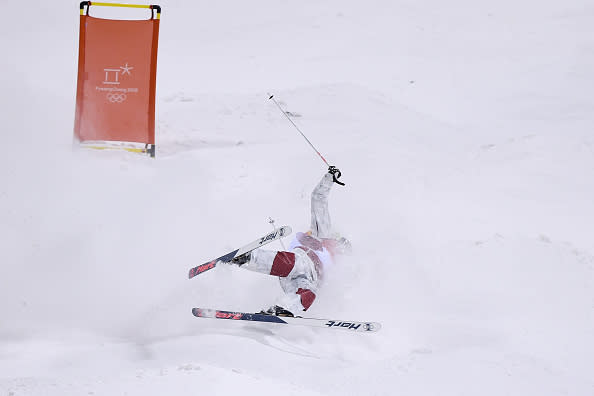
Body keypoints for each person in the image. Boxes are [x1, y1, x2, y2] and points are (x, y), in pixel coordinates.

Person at [228, 167, 351, 317]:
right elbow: (318, 200)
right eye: (340, 243)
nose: (339, 249)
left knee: (309, 294)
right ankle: (247, 258)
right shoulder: (323, 236)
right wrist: (329, 179)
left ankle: (282, 309)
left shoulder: (337, 271)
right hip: (302, 262)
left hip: (302, 281)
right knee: (291, 263)